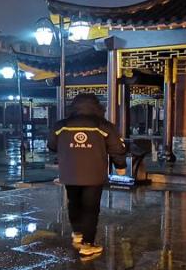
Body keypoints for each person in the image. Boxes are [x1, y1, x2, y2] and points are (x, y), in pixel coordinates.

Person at [48, 93, 127, 258]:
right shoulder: (103, 126)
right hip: (94, 174)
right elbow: (117, 148)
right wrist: (120, 166)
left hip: (69, 172)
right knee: (90, 208)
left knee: (74, 202)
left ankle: (77, 234)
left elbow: (52, 146)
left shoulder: (61, 125)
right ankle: (87, 244)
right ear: (97, 107)